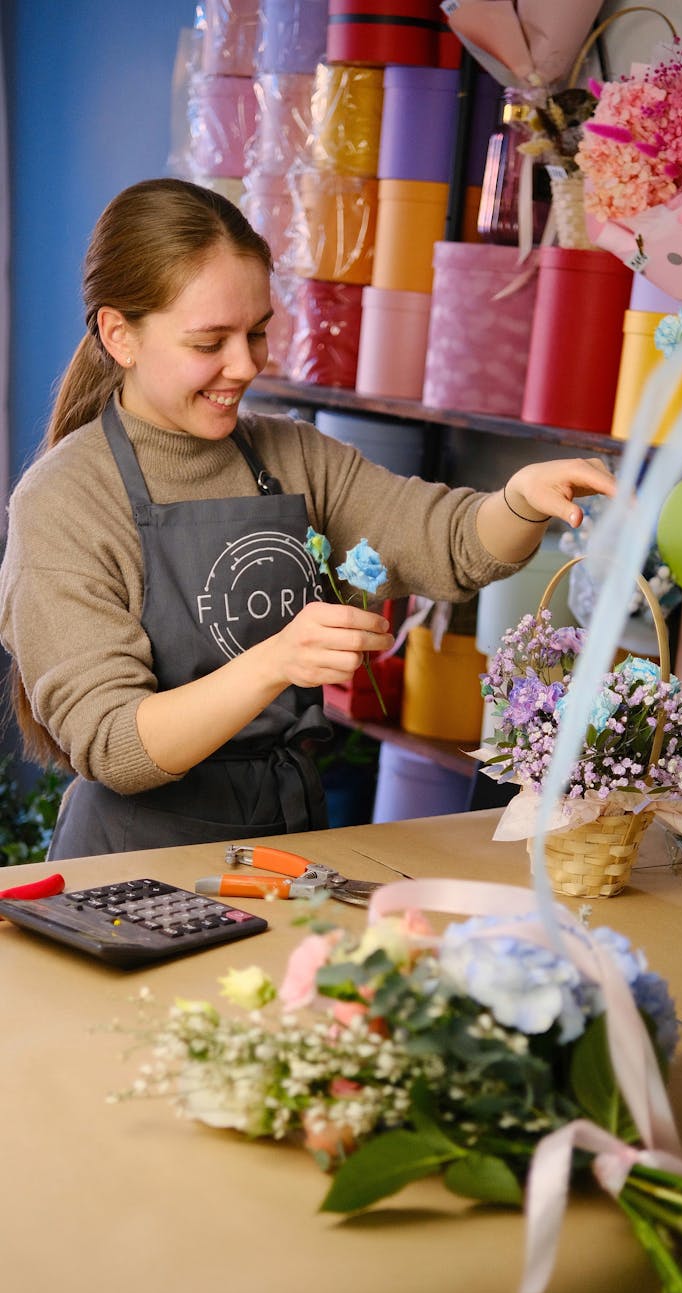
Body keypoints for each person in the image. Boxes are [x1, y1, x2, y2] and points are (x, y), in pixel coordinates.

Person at [0, 178, 616, 858]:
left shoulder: (291, 454)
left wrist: (520, 500)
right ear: (120, 335)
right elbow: (116, 743)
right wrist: (277, 660)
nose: (245, 365)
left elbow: (446, 543)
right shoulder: (65, 500)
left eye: (257, 331)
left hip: (287, 846)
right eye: (210, 342)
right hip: (134, 869)